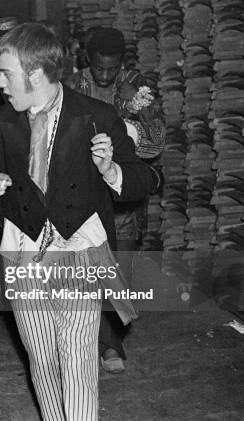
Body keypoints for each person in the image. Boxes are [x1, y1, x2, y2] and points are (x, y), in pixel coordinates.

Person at [0, 23, 161, 420]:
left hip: (79, 254)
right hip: (23, 257)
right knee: (43, 360)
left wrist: (110, 171)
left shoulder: (97, 116)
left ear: (35, 74)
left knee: (78, 358)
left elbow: (147, 178)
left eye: (6, 73)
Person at [66, 27, 166, 373]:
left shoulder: (139, 88)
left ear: (122, 62)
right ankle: (81, 340)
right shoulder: (71, 84)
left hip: (123, 197)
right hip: (82, 193)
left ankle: (111, 343)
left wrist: (126, 136)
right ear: (86, 60)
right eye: (98, 68)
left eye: (112, 68)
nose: (105, 75)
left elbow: (155, 145)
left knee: (118, 267)